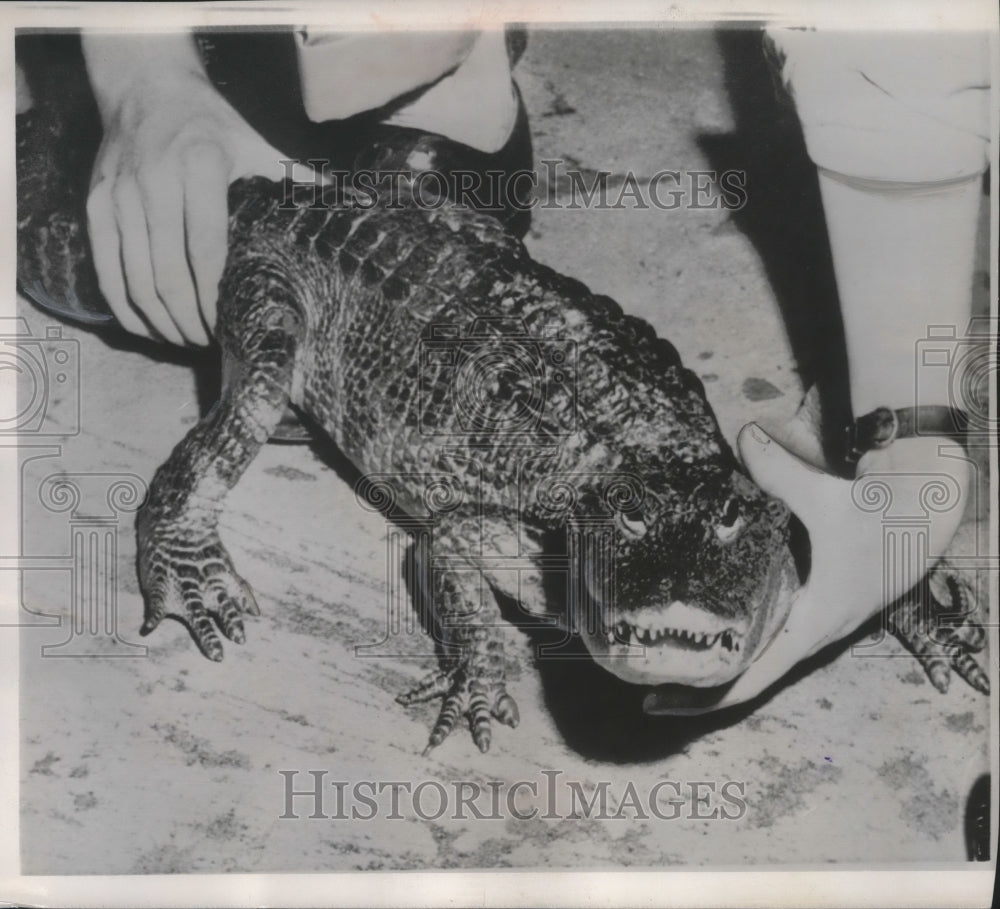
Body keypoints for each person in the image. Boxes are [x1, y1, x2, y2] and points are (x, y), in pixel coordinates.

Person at [31, 24, 991, 710]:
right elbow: (449, 540)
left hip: (446, 274)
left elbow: (807, 512)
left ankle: (430, 78)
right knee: (266, 374)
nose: (673, 596)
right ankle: (176, 527)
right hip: (310, 278)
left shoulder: (740, 506)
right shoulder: (553, 547)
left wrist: (910, 511)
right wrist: (479, 652)